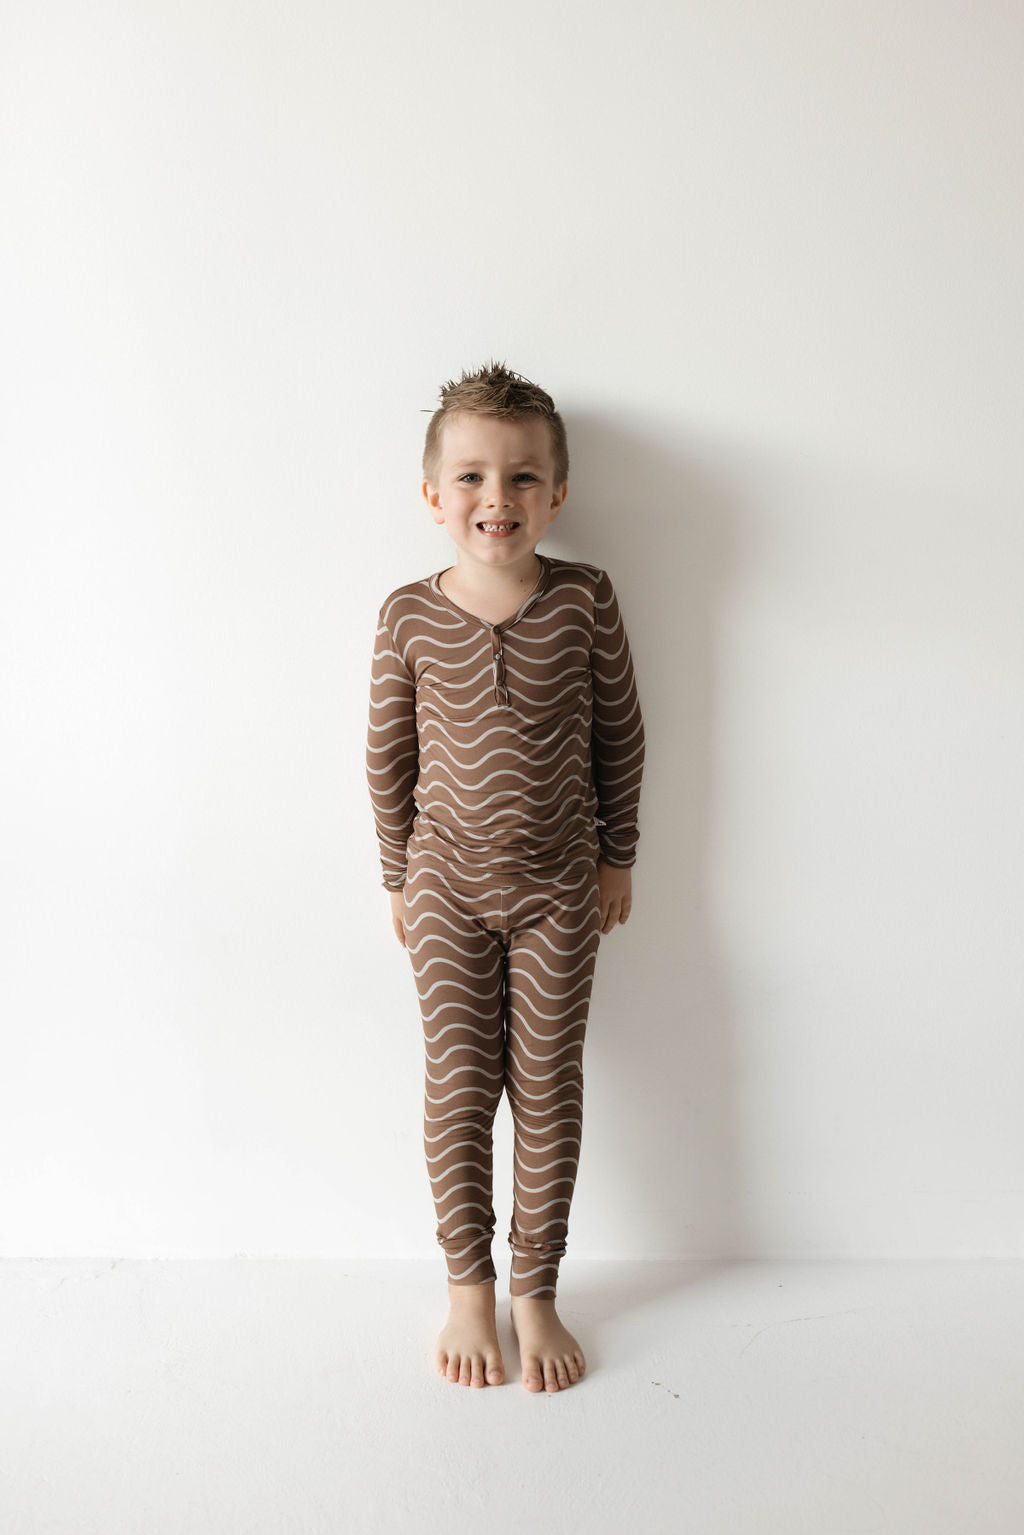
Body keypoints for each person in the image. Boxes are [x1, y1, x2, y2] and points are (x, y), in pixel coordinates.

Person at [365, 360, 645, 1392]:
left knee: (545, 1086)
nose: (498, 499)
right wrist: (396, 872)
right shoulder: (406, 614)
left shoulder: (583, 599)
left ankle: (536, 1286)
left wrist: (619, 852)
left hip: (561, 888)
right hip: (441, 887)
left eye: (523, 478)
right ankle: (468, 1285)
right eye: (474, 478)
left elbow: (621, 731)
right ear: (435, 496)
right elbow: (386, 756)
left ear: (557, 493)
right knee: (458, 1082)